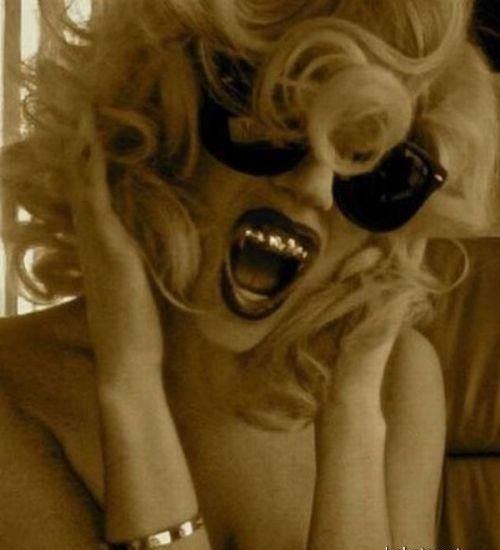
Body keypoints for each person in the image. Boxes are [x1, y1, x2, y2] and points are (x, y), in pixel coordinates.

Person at [0, 1, 498, 548]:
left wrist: (352, 420)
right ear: (163, 124)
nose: (315, 186)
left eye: (372, 168)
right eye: (279, 123)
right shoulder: (13, 383)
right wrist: (131, 387)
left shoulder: (398, 382)